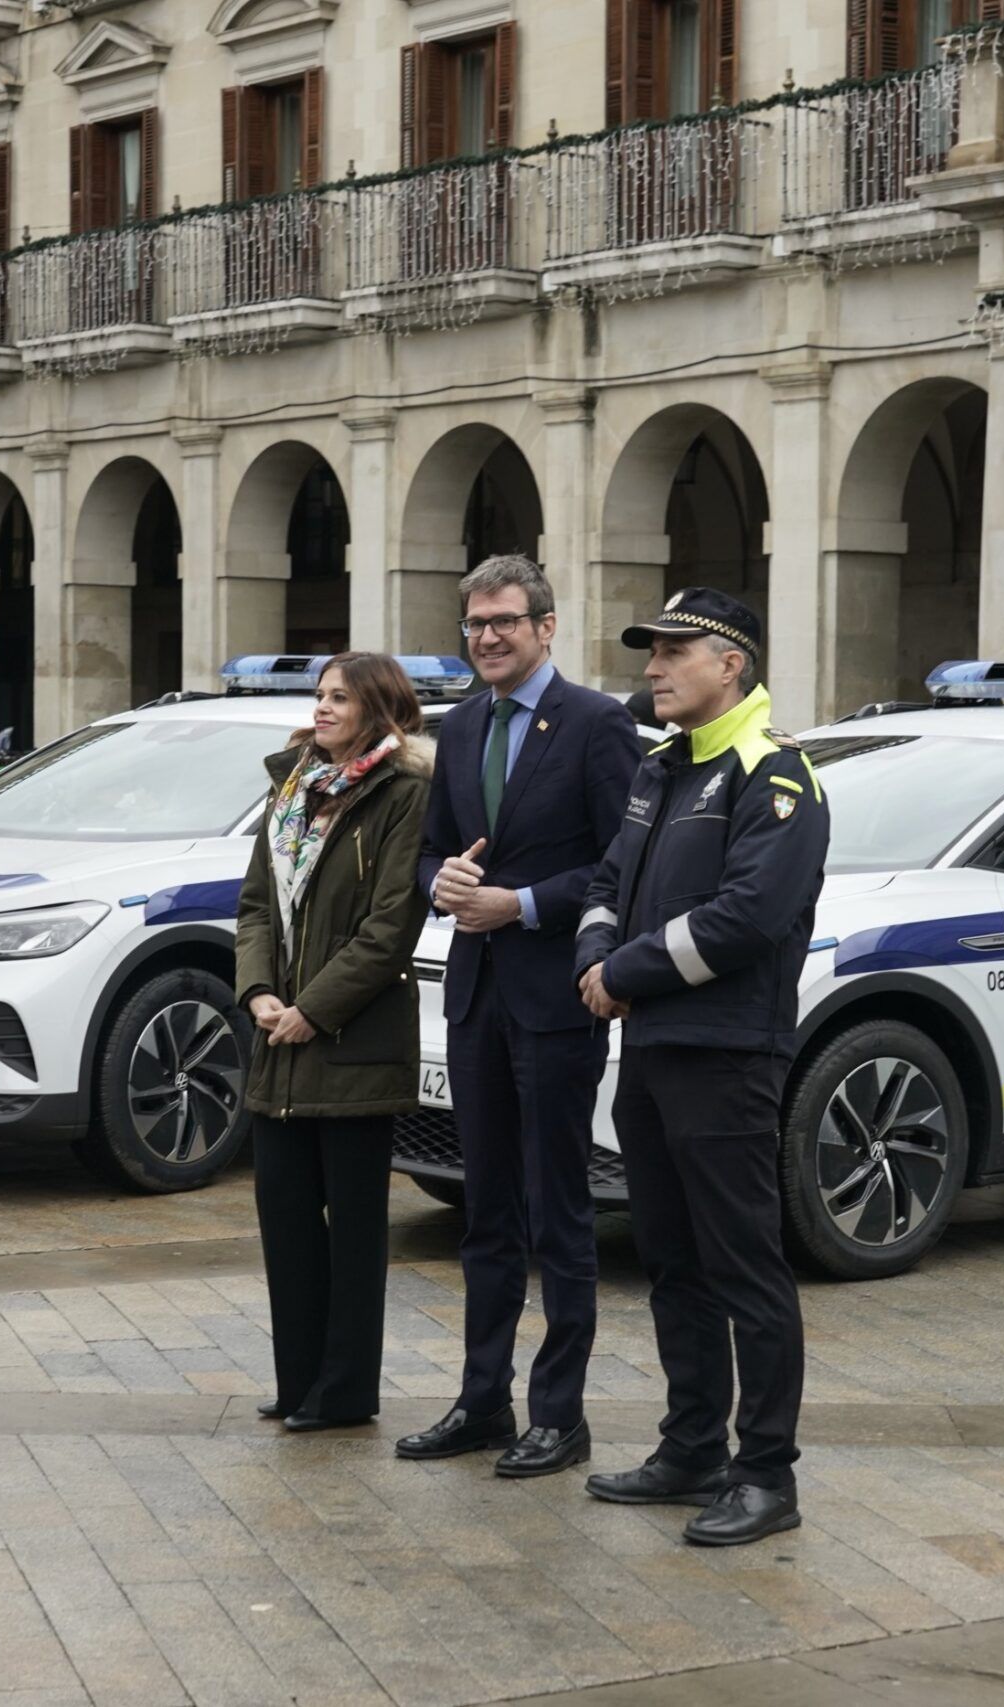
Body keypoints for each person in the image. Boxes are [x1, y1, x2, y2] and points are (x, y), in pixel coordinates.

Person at [574, 588, 829, 1547]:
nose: (652, 667)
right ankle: (692, 1448)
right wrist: (594, 962)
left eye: (674, 650)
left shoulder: (778, 776)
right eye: (652, 651)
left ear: (733, 664)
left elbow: (747, 916)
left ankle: (766, 1474)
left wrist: (625, 971)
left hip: (727, 1053)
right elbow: (607, 884)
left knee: (742, 1267)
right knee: (672, 1260)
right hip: (649, 1050)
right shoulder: (659, 770)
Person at [398, 556, 639, 1478]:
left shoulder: (596, 724)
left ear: (546, 627)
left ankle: (560, 1414)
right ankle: (481, 1399)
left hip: (555, 998)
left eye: (505, 621)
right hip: (474, 996)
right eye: (475, 625)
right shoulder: (457, 728)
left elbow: (624, 865)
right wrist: (444, 881)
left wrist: (526, 903)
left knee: (557, 1209)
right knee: (485, 1210)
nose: (488, 637)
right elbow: (429, 856)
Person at [234, 653, 436, 1432]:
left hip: (352, 1040)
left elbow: (390, 928)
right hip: (278, 1039)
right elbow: (256, 905)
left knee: (352, 1231)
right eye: (318, 695)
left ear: (378, 708)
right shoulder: (290, 788)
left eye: (339, 697)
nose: (321, 708)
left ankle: (346, 1391)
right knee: (283, 1213)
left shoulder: (404, 793)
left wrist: (311, 1010)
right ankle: (298, 1381)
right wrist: (258, 991)